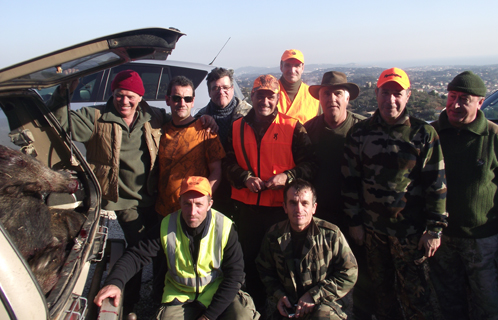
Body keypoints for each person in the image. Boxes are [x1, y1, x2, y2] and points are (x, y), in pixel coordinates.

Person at [48, 70, 217, 314]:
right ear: (112, 94)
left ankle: (159, 293)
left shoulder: (152, 116)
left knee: (161, 244)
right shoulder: (96, 117)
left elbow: (180, 119)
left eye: (130, 96)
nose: (124, 101)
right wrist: (64, 91)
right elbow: (60, 124)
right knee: (141, 246)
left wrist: (206, 119)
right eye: (119, 95)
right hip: (123, 201)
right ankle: (130, 300)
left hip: (152, 197)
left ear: (140, 97)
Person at [342, 67, 448, 319]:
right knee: (382, 297)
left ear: (408, 95)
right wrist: (355, 222)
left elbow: (437, 184)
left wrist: (434, 230)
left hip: (411, 234)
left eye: (398, 93)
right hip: (373, 233)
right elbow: (349, 182)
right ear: (376, 93)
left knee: (416, 298)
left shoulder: (423, 134)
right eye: (385, 93)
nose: (391, 99)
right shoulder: (359, 133)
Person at [94, 176, 260, 320]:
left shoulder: (224, 227)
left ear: (210, 204)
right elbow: (136, 256)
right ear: (179, 202)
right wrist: (115, 283)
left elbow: (235, 276)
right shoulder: (167, 226)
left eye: (199, 204)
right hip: (181, 297)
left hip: (216, 293)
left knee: (242, 315)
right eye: (187, 204)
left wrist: (209, 316)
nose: (192, 211)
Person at [224, 74, 317, 311]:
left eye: (270, 96)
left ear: (278, 98)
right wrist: (244, 178)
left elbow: (310, 165)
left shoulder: (293, 127)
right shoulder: (236, 127)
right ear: (252, 96)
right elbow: (227, 162)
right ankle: (252, 309)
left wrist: (288, 177)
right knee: (251, 261)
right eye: (260, 95)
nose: (265, 101)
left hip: (281, 210)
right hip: (248, 209)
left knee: (284, 265)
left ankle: (285, 309)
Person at [304, 71, 372, 319]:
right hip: (320, 217)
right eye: (326, 93)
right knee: (320, 276)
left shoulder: (362, 129)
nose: (331, 98)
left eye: (337, 93)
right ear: (319, 98)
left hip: (356, 218)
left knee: (361, 275)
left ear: (347, 98)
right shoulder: (308, 130)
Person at [431, 71, 498, 320]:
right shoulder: (433, 135)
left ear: (480, 103)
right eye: (452, 96)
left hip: (482, 240)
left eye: (464, 99)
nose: (455, 104)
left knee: (488, 304)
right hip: (442, 239)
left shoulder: (493, 137)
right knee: (448, 302)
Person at [256, 179, 358, 320]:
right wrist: (279, 295)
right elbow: (264, 270)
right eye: (293, 203)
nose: (299, 209)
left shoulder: (331, 234)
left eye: (305, 203)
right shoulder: (273, 235)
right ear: (285, 207)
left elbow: (349, 271)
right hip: (289, 305)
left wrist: (314, 295)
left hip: (323, 303)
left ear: (314, 207)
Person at [155, 75, 225, 217]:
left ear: (193, 102)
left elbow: (216, 171)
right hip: (162, 211)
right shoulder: (159, 131)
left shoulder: (206, 131)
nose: (182, 103)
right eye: (176, 98)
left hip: (192, 213)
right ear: (167, 100)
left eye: (187, 99)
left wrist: (202, 200)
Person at [195, 67, 252, 218]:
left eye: (225, 87)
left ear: (232, 89)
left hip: (244, 186)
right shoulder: (199, 119)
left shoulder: (250, 115)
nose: (221, 92)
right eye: (215, 88)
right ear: (209, 92)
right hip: (214, 188)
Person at [277, 49, 320, 124]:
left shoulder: (314, 96)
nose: (292, 70)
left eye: (297, 65)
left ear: (302, 68)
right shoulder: (270, 93)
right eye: (287, 65)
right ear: (281, 67)